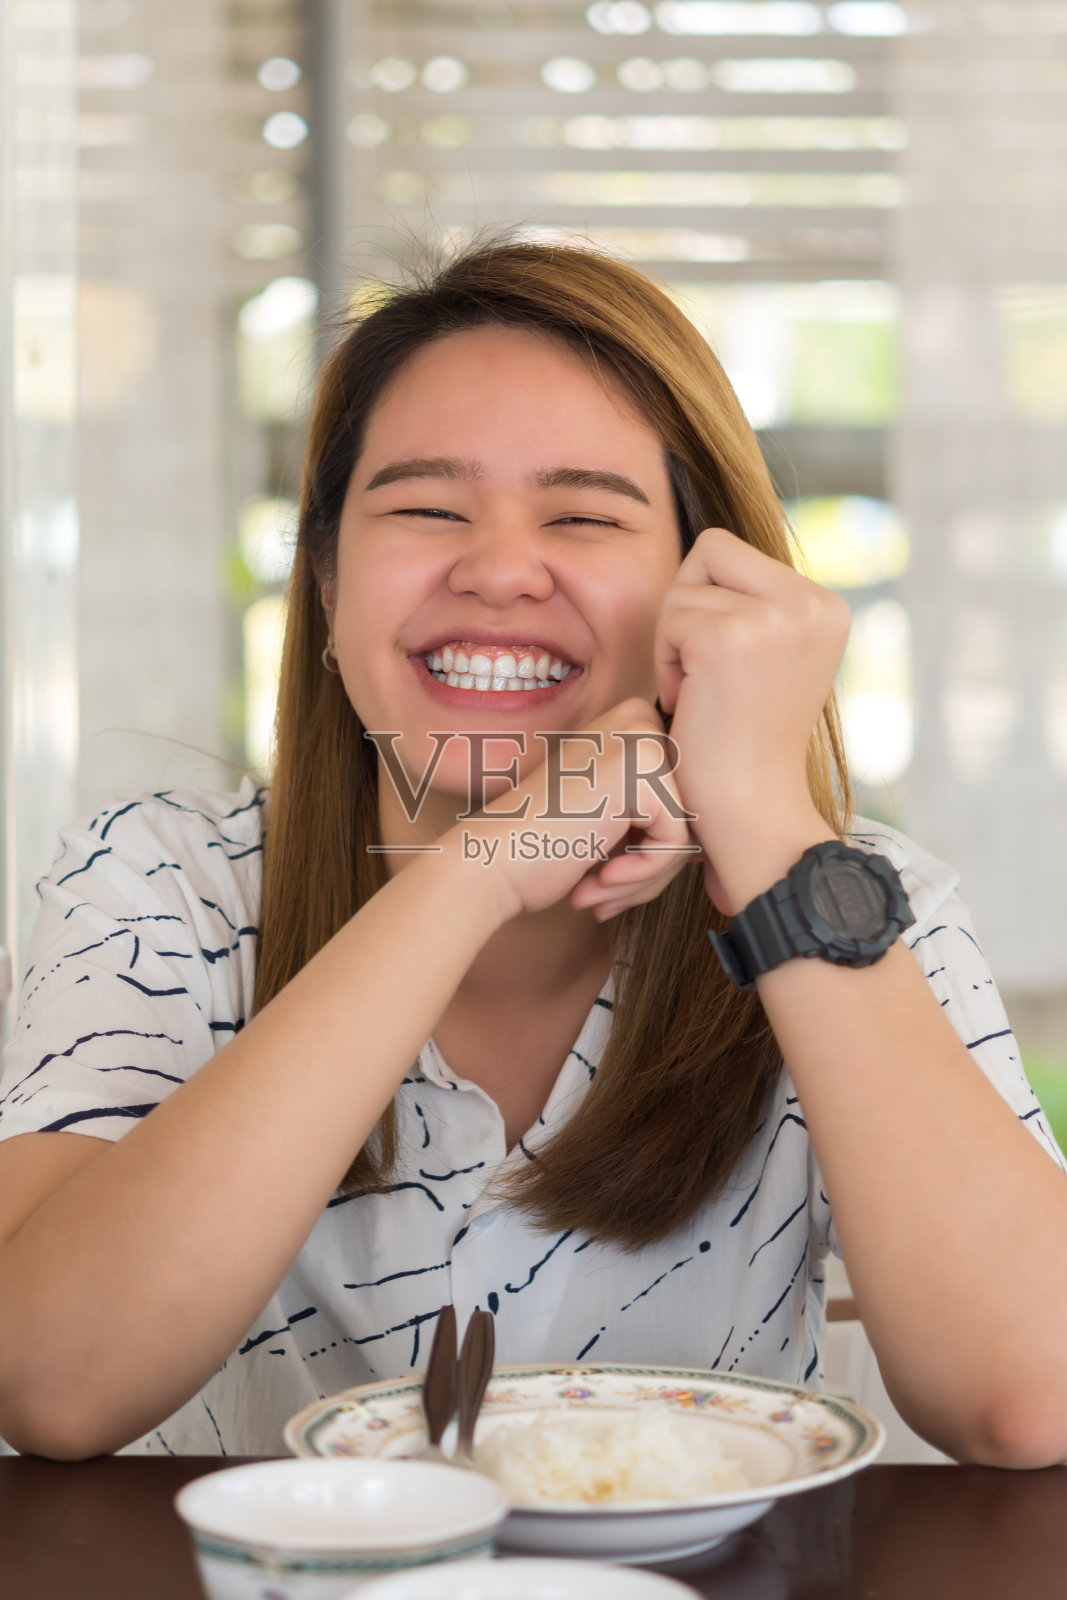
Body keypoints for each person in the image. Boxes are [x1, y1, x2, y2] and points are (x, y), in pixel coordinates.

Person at [1, 241, 1065, 1465]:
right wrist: (481, 870)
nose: (499, 568)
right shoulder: (157, 881)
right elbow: (48, 1381)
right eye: (424, 507)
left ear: (701, 588)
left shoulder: (854, 904)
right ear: (330, 589)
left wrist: (765, 823)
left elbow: (1029, 1395)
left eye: (581, 514)